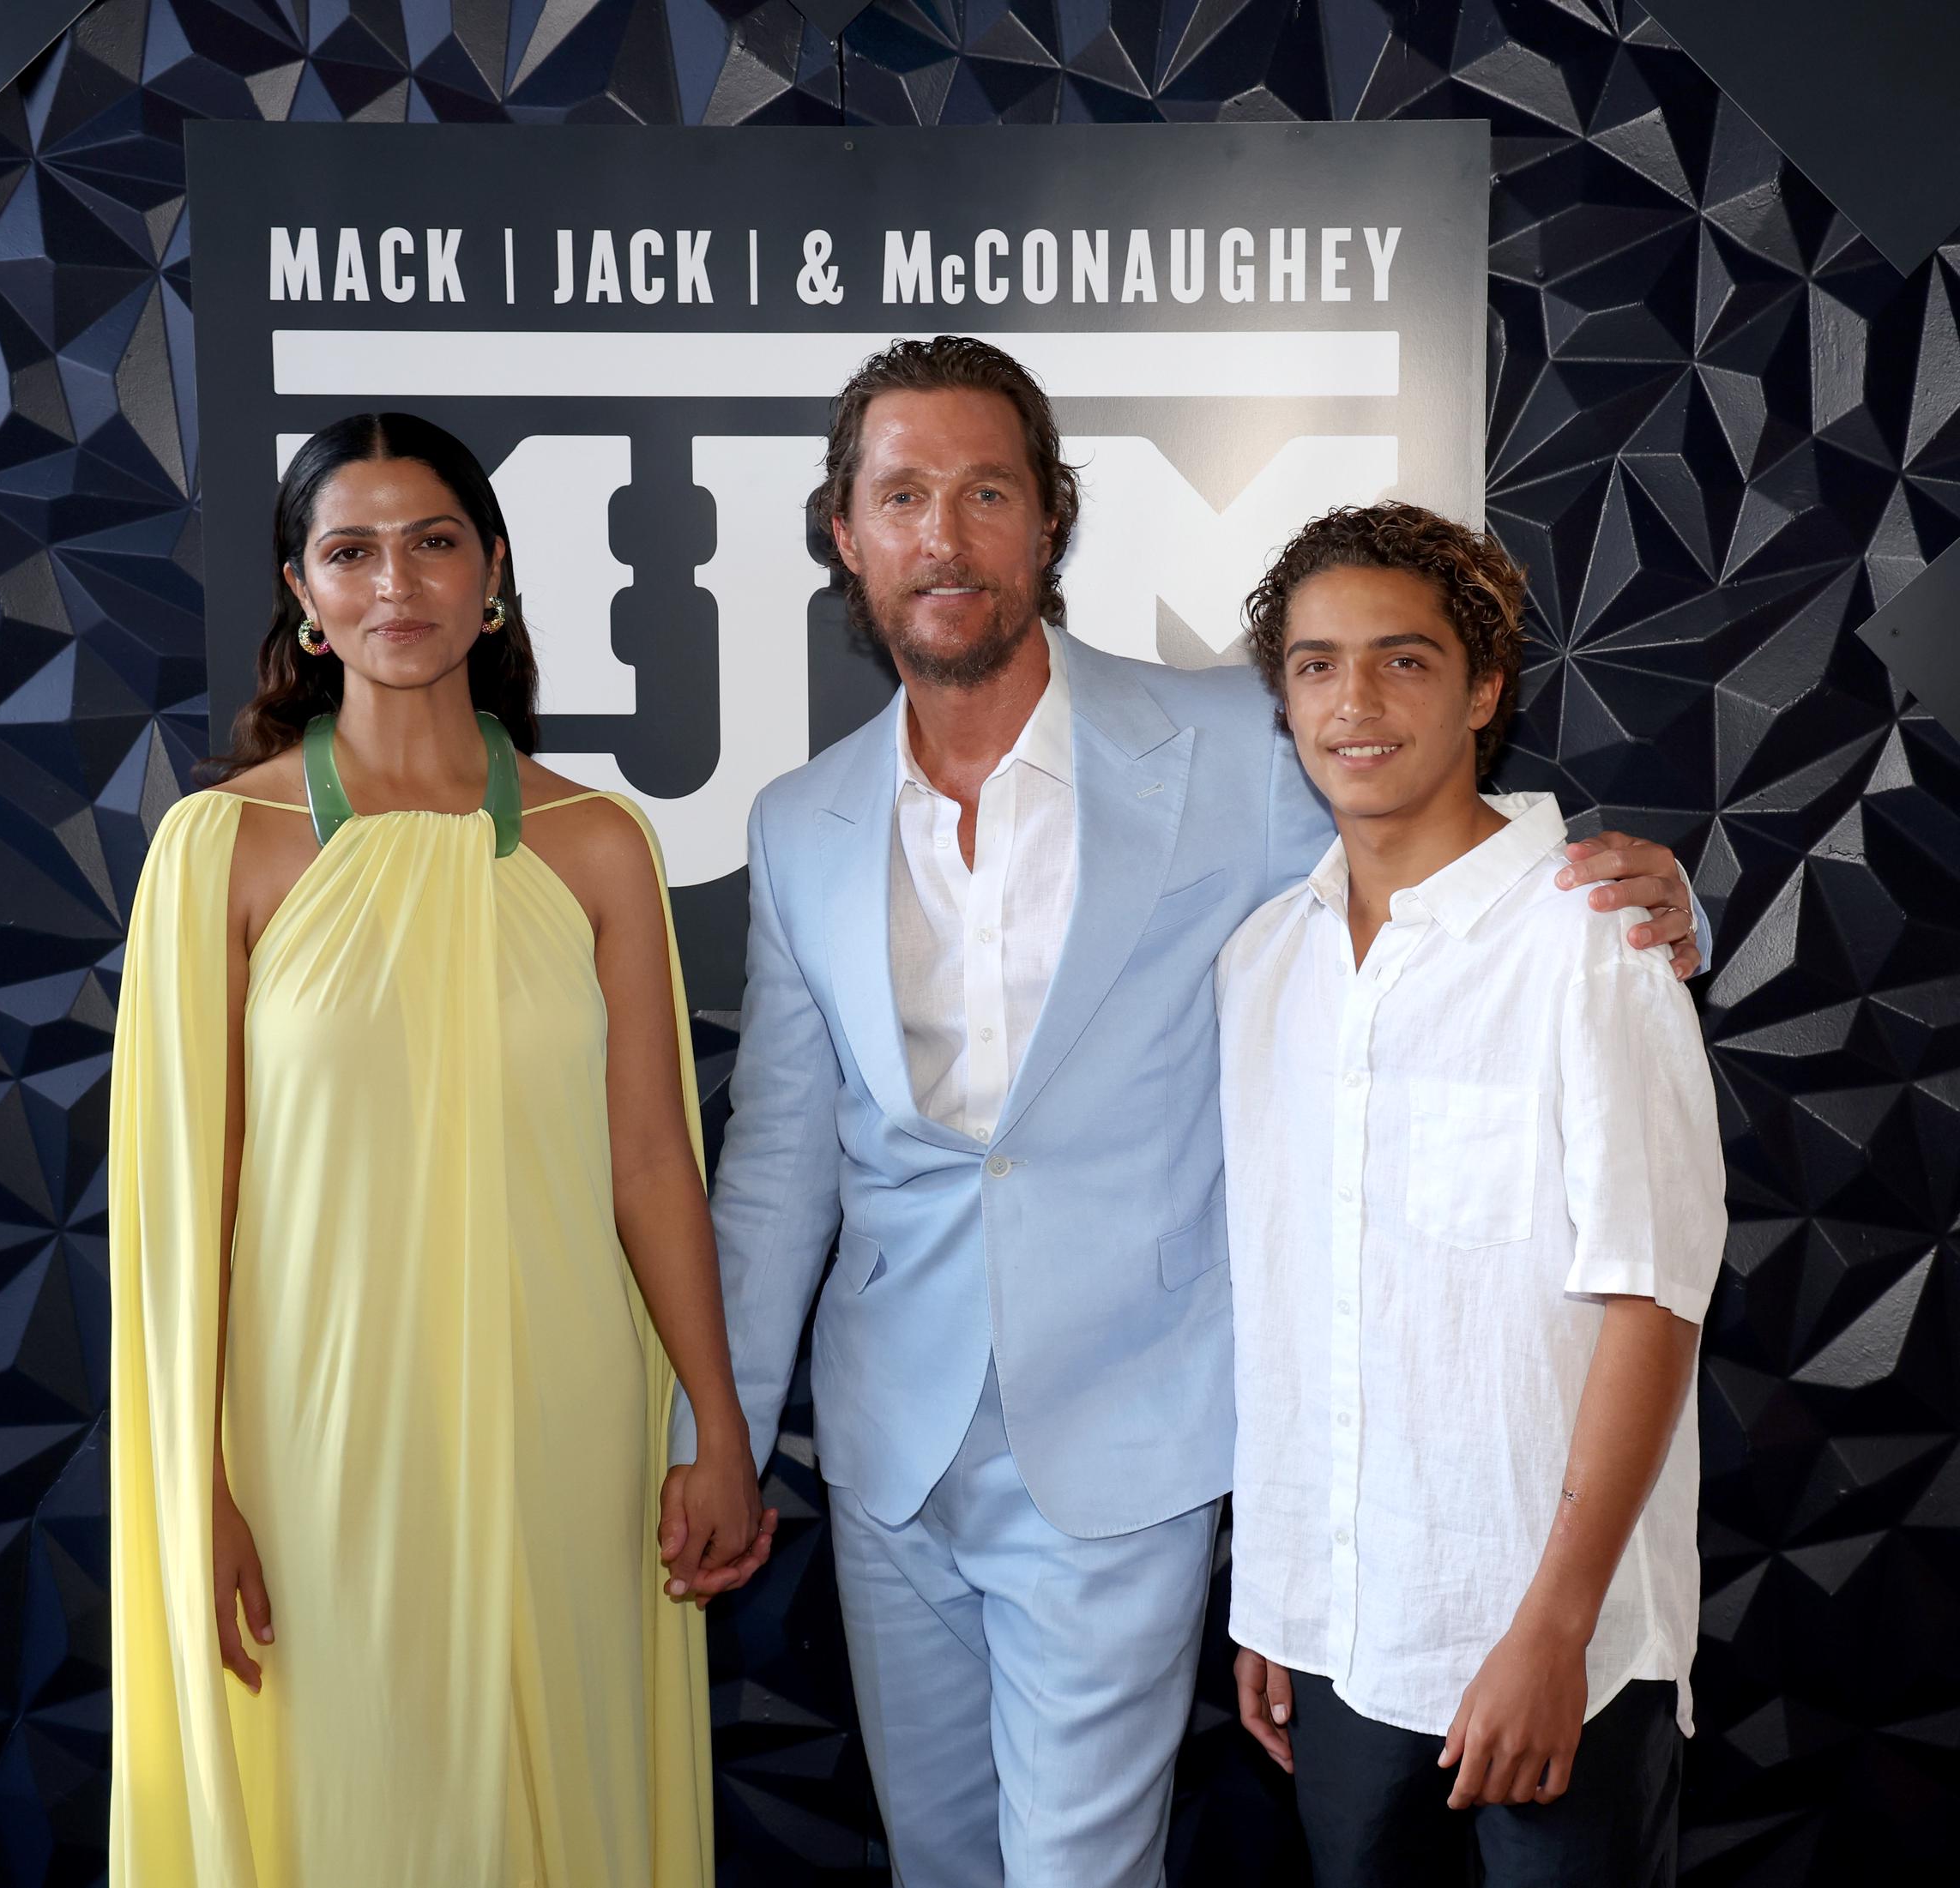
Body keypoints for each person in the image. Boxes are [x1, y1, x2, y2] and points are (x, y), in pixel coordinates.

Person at [654, 337, 1706, 1886]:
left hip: (1125, 1437)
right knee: (939, 1862)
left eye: (986, 492)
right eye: (902, 496)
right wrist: (717, 1429)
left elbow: (1440, 847)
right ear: (844, 533)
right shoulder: (798, 822)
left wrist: (1669, 896)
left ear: (1051, 521)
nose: (944, 536)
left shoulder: (1236, 739)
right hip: (888, 1447)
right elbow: (778, 1170)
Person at [108, 412, 772, 1886]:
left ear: (495, 578)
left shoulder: (602, 840)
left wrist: (713, 1426)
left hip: (570, 1418)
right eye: (352, 549)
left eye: (433, 542)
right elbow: (185, 1204)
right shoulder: (222, 848)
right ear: (303, 590)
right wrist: (195, 1479)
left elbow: (655, 1162)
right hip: (319, 1431)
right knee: (362, 1799)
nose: (395, 583)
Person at [1221, 504, 1725, 1887]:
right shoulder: (1263, 967)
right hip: (1337, 1642)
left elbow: (1655, 1297)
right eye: (1316, 664)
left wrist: (1554, 1628)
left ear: (1486, 687)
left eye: (1404, 659)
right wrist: (1277, 1589)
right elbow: (1285, 1299)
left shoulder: (1593, 941)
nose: (1355, 702)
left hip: (1550, 1645)